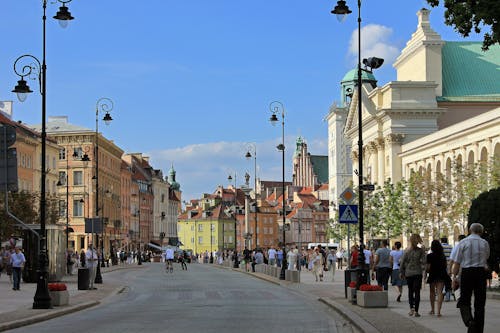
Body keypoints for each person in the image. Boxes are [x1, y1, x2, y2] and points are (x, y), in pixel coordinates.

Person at [452, 223, 490, 333]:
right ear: (481, 232)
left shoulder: (463, 242)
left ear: (470, 230)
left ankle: (469, 321)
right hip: (480, 273)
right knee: (480, 302)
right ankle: (478, 329)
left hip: (467, 273)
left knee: (464, 299)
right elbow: (486, 257)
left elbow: (457, 262)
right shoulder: (484, 243)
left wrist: (454, 277)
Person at [400, 234, 426, 318]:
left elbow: (402, 262)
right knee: (417, 291)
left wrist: (401, 272)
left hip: (408, 273)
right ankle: (416, 311)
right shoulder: (421, 251)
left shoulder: (406, 250)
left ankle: (411, 308)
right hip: (417, 273)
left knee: (410, 290)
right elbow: (424, 261)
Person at [426, 240, 450, 317]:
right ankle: (438, 312)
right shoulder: (442, 256)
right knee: (439, 292)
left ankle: (432, 310)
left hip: (433, 274)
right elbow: (445, 266)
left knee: (432, 292)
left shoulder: (429, 256)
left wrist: (426, 270)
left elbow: (428, 268)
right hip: (441, 274)